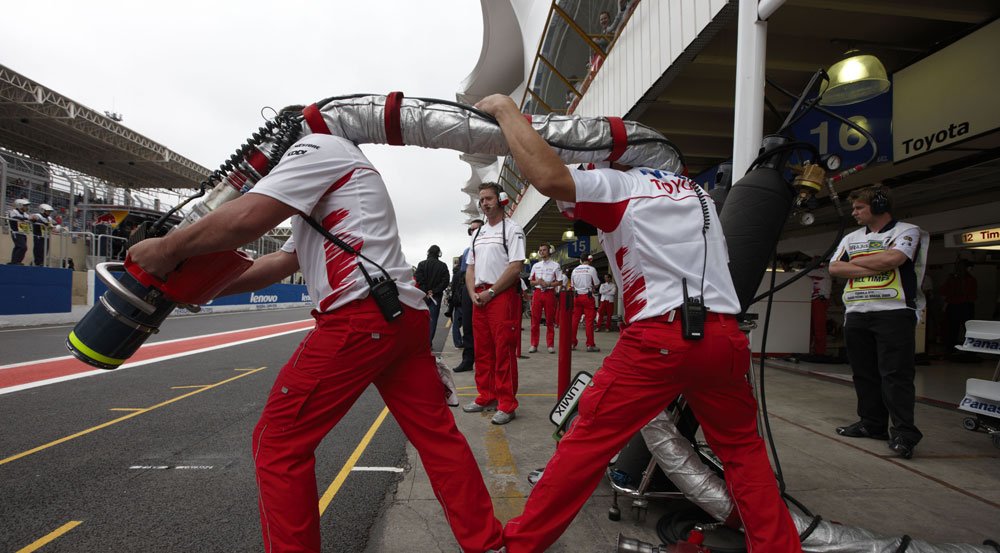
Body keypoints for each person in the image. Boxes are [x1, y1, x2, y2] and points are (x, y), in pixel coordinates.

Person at [128, 123, 503, 553]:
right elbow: (277, 261)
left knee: (278, 442)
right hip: (403, 316)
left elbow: (249, 218)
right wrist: (200, 290)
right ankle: (486, 541)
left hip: (359, 317)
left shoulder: (315, 147)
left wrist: (168, 248)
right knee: (437, 436)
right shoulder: (338, 175)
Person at [475, 93, 802, 553]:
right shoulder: (699, 195)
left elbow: (548, 177)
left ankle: (521, 544)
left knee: (586, 440)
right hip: (725, 336)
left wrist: (508, 113)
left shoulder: (623, 186)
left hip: (660, 337)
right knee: (744, 454)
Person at [829, 185, 928, 460]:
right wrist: (878, 263)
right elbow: (835, 267)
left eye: (859, 207)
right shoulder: (851, 237)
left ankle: (905, 434)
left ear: (880, 206)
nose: (854, 212)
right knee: (864, 373)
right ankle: (872, 424)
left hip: (894, 311)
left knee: (896, 375)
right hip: (857, 311)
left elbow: (896, 258)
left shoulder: (907, 230)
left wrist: (860, 264)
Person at [460, 182, 526, 425]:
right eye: (481, 199)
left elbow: (516, 266)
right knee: (483, 350)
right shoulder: (478, 233)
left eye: (488, 198)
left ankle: (507, 404)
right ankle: (486, 395)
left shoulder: (512, 229)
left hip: (501, 296)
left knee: (503, 351)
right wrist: (472, 293)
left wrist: (492, 291)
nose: (484, 203)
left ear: (501, 199)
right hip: (479, 297)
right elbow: (470, 268)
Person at [454, 218, 484, 373]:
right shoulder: (467, 251)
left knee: (485, 327)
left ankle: (484, 361)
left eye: (477, 229)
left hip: (485, 286)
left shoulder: (489, 247)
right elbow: (464, 273)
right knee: (467, 325)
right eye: (471, 230)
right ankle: (468, 359)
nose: (473, 232)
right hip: (469, 287)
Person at [414, 244, 451, 345]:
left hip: (423, 296)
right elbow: (445, 281)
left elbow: (418, 278)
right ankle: (428, 343)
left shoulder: (421, 264)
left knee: (421, 319)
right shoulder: (443, 266)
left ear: (428, 252)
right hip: (436, 296)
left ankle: (419, 341)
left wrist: (425, 290)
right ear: (439, 253)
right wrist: (434, 291)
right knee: (433, 320)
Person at [527, 243, 560, 353]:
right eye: (540, 250)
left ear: (549, 251)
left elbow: (559, 281)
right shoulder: (535, 266)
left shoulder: (555, 265)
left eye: (544, 250)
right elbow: (531, 281)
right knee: (535, 320)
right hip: (537, 293)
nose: (542, 252)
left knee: (550, 320)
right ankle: (533, 344)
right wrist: (539, 282)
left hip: (549, 293)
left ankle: (550, 345)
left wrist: (549, 284)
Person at [939, 259, 977, 350]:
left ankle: (951, 348)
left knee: (955, 329)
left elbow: (943, 291)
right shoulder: (968, 279)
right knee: (964, 328)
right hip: (962, 305)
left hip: (958, 305)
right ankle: (967, 349)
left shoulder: (956, 279)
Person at [570, 255, 601, 351]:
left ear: (580, 260)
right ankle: (590, 345)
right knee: (589, 322)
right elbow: (596, 284)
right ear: (589, 260)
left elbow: (572, 285)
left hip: (577, 297)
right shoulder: (591, 269)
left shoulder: (574, 270)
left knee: (574, 321)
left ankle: (572, 343)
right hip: (587, 297)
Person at [806, 258, 831, 356]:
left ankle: (819, 352)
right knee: (810, 328)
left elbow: (804, 272)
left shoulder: (824, 271)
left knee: (818, 328)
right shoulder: (818, 271)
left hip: (820, 301)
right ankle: (809, 350)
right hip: (814, 301)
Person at [446, 257, 465, 348]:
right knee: (467, 322)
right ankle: (465, 340)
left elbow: (453, 288)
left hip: (457, 301)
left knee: (456, 324)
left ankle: (457, 342)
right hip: (465, 300)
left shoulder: (455, 273)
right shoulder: (466, 272)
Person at [7, 198, 31, 265]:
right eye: (25, 206)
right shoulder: (14, 211)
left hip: (23, 233)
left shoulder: (25, 214)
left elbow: (30, 219)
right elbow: (14, 218)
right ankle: (15, 262)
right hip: (16, 232)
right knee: (22, 247)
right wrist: (24, 219)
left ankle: (15, 261)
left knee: (18, 247)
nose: (27, 207)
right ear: (20, 205)